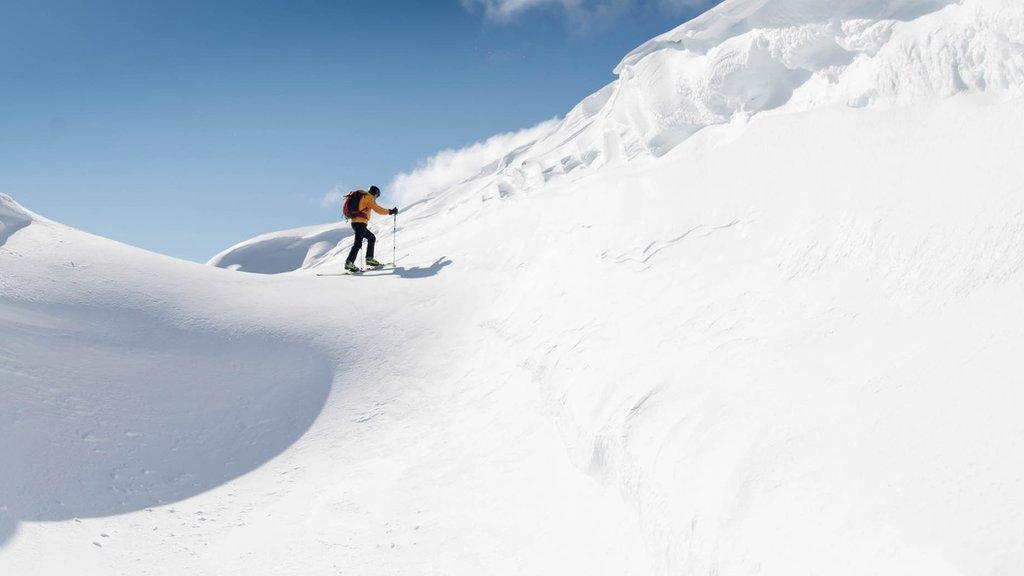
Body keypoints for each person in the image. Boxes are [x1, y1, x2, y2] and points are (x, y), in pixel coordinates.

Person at [345, 185, 397, 272]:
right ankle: (349, 262)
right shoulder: (369, 198)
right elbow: (378, 209)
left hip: (356, 223)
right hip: (360, 223)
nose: (377, 197)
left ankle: (369, 259)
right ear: (376, 193)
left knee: (371, 238)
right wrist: (390, 211)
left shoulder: (364, 196)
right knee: (357, 243)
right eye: (378, 195)